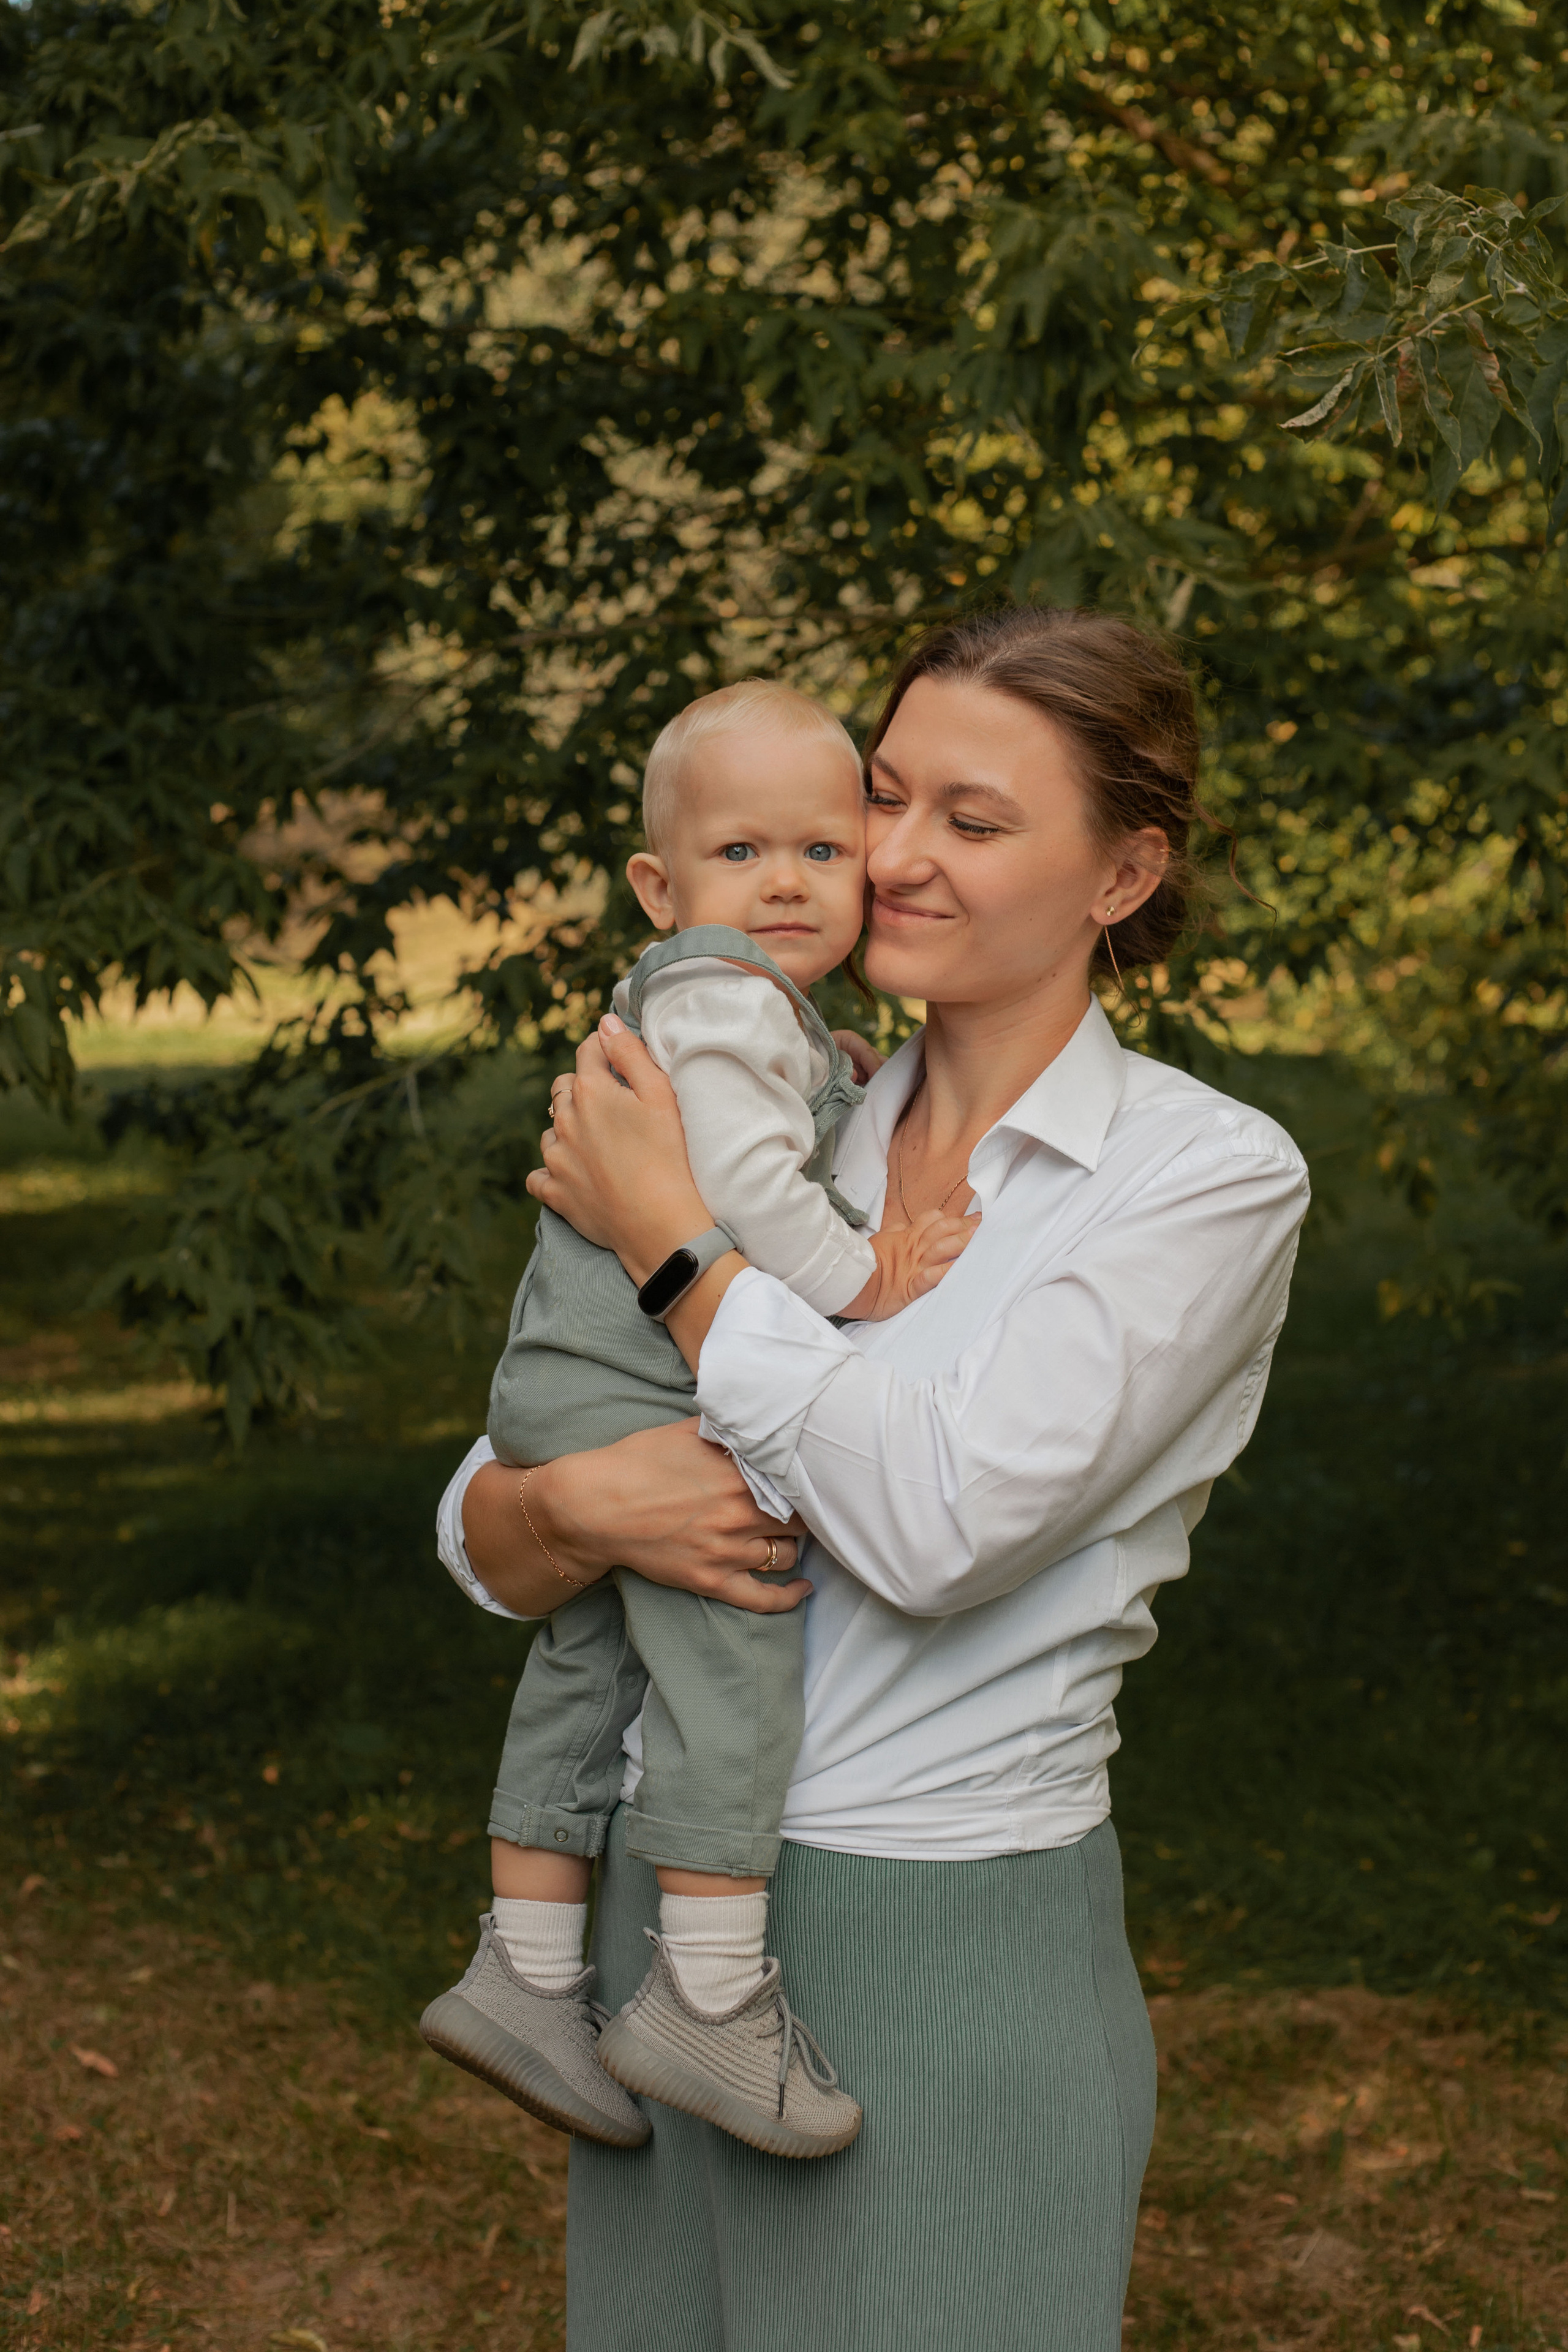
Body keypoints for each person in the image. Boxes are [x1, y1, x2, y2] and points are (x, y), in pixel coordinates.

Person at [436, 605, 1311, 2352]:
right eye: (885, 796)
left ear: (1124, 873)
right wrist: (572, 1513)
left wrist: (680, 1251)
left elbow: (935, 1526)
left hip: (943, 1940)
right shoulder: (775, 1104)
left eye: (971, 825)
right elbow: (490, 1515)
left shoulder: (1203, 1178)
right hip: (672, 1927)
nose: (892, 860)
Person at [421, 678, 976, 2159]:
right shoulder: (723, 994)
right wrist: (866, 1269)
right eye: (741, 855)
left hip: (568, 1380)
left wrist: (837, 1081)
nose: (785, 880)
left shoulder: (728, 1006)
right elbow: (732, 1194)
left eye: (820, 849)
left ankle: (527, 1975)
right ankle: (710, 2001)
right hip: (641, 1380)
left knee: (586, 1659)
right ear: (660, 887)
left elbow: (750, 1116)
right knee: (731, 1646)